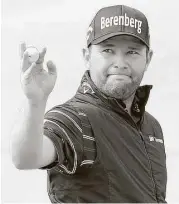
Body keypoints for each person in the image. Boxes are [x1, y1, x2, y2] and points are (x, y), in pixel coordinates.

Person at [10, 5, 167, 203]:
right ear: (87, 56)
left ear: (148, 59)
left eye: (132, 52)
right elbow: (25, 158)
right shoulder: (77, 118)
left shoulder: (152, 127)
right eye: (108, 50)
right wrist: (35, 102)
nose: (120, 62)